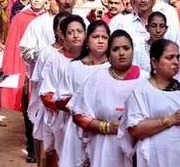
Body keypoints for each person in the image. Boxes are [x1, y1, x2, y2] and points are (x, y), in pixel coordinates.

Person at [123, 39, 180, 167]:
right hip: (157, 157)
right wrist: (170, 120)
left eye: (178, 57)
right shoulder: (141, 91)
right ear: (154, 62)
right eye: (169, 58)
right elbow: (134, 129)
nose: (175, 62)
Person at [67, 30, 146, 167]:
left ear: (133, 51)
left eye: (126, 48)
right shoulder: (96, 79)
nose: (121, 53)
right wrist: (107, 127)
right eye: (115, 49)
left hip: (139, 147)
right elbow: (78, 115)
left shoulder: (146, 80)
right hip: (104, 148)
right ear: (108, 54)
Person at [57, 20, 110, 167]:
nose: (100, 41)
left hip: (105, 129)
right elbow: (60, 99)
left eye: (104, 37)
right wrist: (80, 107)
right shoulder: (74, 67)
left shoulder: (113, 69)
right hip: (77, 127)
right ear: (87, 41)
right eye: (95, 37)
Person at [39, 15, 87, 160]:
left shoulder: (95, 60)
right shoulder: (56, 60)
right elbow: (46, 92)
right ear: (64, 37)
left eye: (79, 31)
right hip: (63, 118)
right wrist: (68, 105)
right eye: (70, 32)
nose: (75, 35)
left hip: (91, 121)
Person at [27, 12, 69, 165]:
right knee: (46, 150)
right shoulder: (47, 53)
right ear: (56, 30)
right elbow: (38, 81)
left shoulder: (81, 57)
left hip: (69, 113)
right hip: (48, 107)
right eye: (63, 28)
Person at [110, 0, 180, 71]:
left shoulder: (164, 21)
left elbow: (177, 49)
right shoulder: (122, 23)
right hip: (133, 76)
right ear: (133, 0)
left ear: (154, 0)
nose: (143, 1)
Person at [1, 0, 47, 114]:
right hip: (27, 67)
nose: (37, 0)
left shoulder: (51, 18)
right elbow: (13, 48)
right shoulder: (19, 18)